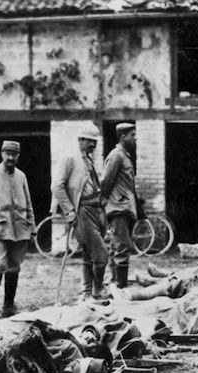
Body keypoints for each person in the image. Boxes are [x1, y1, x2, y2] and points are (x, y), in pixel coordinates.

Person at [0, 140, 35, 319]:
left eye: (14, 154)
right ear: (2, 153)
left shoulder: (21, 176)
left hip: (20, 229)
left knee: (14, 266)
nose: (10, 157)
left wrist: (32, 227)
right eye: (7, 153)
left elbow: (28, 203)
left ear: (18, 156)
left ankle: (8, 306)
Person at [51, 124, 109, 301]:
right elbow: (56, 186)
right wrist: (69, 212)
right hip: (82, 211)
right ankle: (97, 291)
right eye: (90, 141)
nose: (93, 145)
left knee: (88, 254)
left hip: (96, 210)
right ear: (80, 140)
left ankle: (86, 292)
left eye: (95, 142)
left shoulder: (88, 160)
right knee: (101, 255)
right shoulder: (70, 159)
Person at [101, 122, 138, 289]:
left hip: (125, 207)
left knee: (118, 245)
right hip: (118, 208)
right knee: (122, 246)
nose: (135, 138)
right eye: (132, 135)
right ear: (123, 137)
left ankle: (115, 282)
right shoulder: (116, 155)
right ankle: (120, 286)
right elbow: (106, 180)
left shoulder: (125, 155)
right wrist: (103, 200)